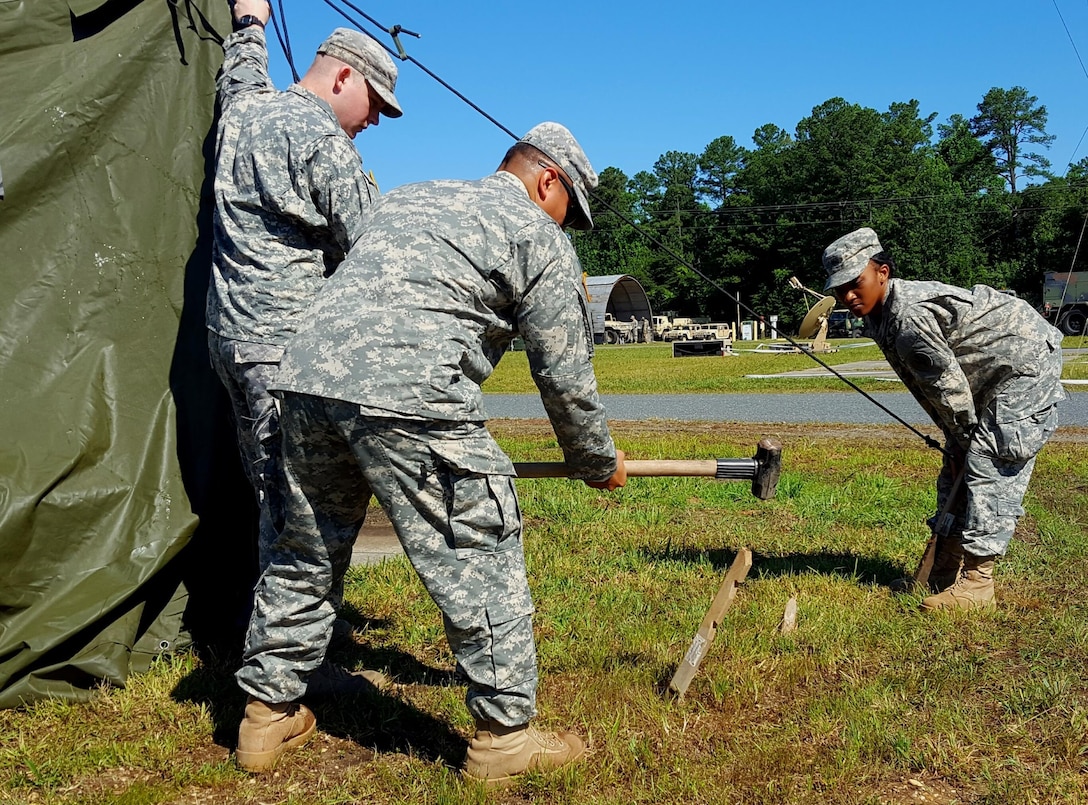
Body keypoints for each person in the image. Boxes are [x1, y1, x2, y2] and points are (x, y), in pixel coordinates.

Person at [233, 122, 627, 779]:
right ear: (548, 179)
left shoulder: (407, 200)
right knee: (480, 546)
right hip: (408, 393)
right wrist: (595, 461)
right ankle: (504, 739)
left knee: (303, 546)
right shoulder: (536, 235)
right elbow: (564, 374)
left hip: (303, 379)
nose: (568, 227)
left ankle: (264, 717)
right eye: (570, 213)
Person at [206, 0, 403, 702]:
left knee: (268, 495)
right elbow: (371, 253)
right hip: (287, 352)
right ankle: (285, 677)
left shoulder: (247, 113)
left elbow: (240, 74)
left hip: (230, 341)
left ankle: (261, 644)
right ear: (343, 76)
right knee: (300, 515)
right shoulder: (323, 143)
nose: (373, 120)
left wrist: (250, 22)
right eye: (375, 104)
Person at [822, 227, 1066, 612]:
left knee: (990, 458)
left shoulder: (908, 316)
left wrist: (966, 439)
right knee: (956, 461)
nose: (848, 295)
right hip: (985, 372)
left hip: (1024, 363)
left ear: (882, 272)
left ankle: (977, 583)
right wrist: (956, 440)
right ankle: (943, 569)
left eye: (856, 283)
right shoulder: (878, 314)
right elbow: (929, 388)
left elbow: (946, 388)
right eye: (840, 289)